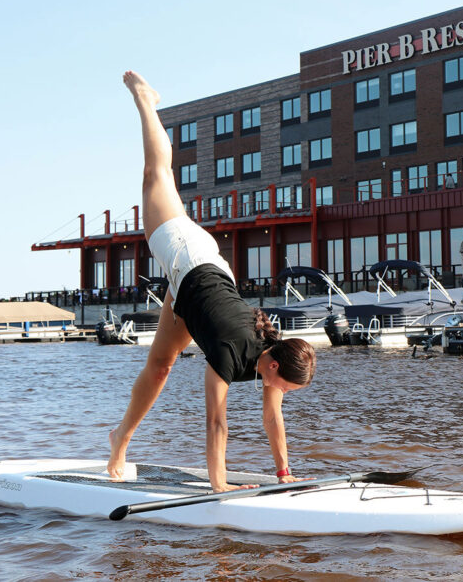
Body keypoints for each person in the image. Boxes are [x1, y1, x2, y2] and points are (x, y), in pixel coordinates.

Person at [107, 71, 316, 492]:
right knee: (156, 173)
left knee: (162, 365)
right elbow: (216, 421)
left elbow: (272, 417)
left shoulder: (271, 357)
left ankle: (118, 441)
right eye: (285, 386)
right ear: (274, 367)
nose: (283, 394)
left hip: (197, 283)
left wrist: (283, 472)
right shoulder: (229, 351)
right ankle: (145, 100)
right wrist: (219, 486)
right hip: (186, 253)